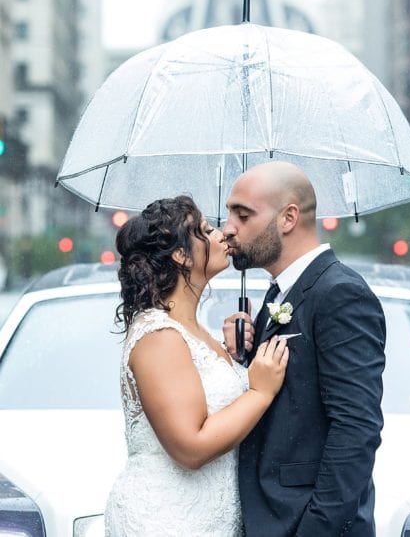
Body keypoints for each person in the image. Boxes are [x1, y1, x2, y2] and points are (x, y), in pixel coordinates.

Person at [105, 195, 290, 536]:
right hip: (168, 519)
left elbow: (205, 399)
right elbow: (190, 447)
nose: (222, 234)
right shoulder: (158, 335)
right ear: (180, 254)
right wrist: (259, 392)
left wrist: (236, 359)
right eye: (206, 229)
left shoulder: (194, 329)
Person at [220, 161, 386, 536]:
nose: (228, 228)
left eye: (242, 215)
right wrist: (244, 356)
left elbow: (356, 427)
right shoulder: (279, 293)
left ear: (288, 218)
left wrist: (313, 530)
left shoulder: (341, 293)